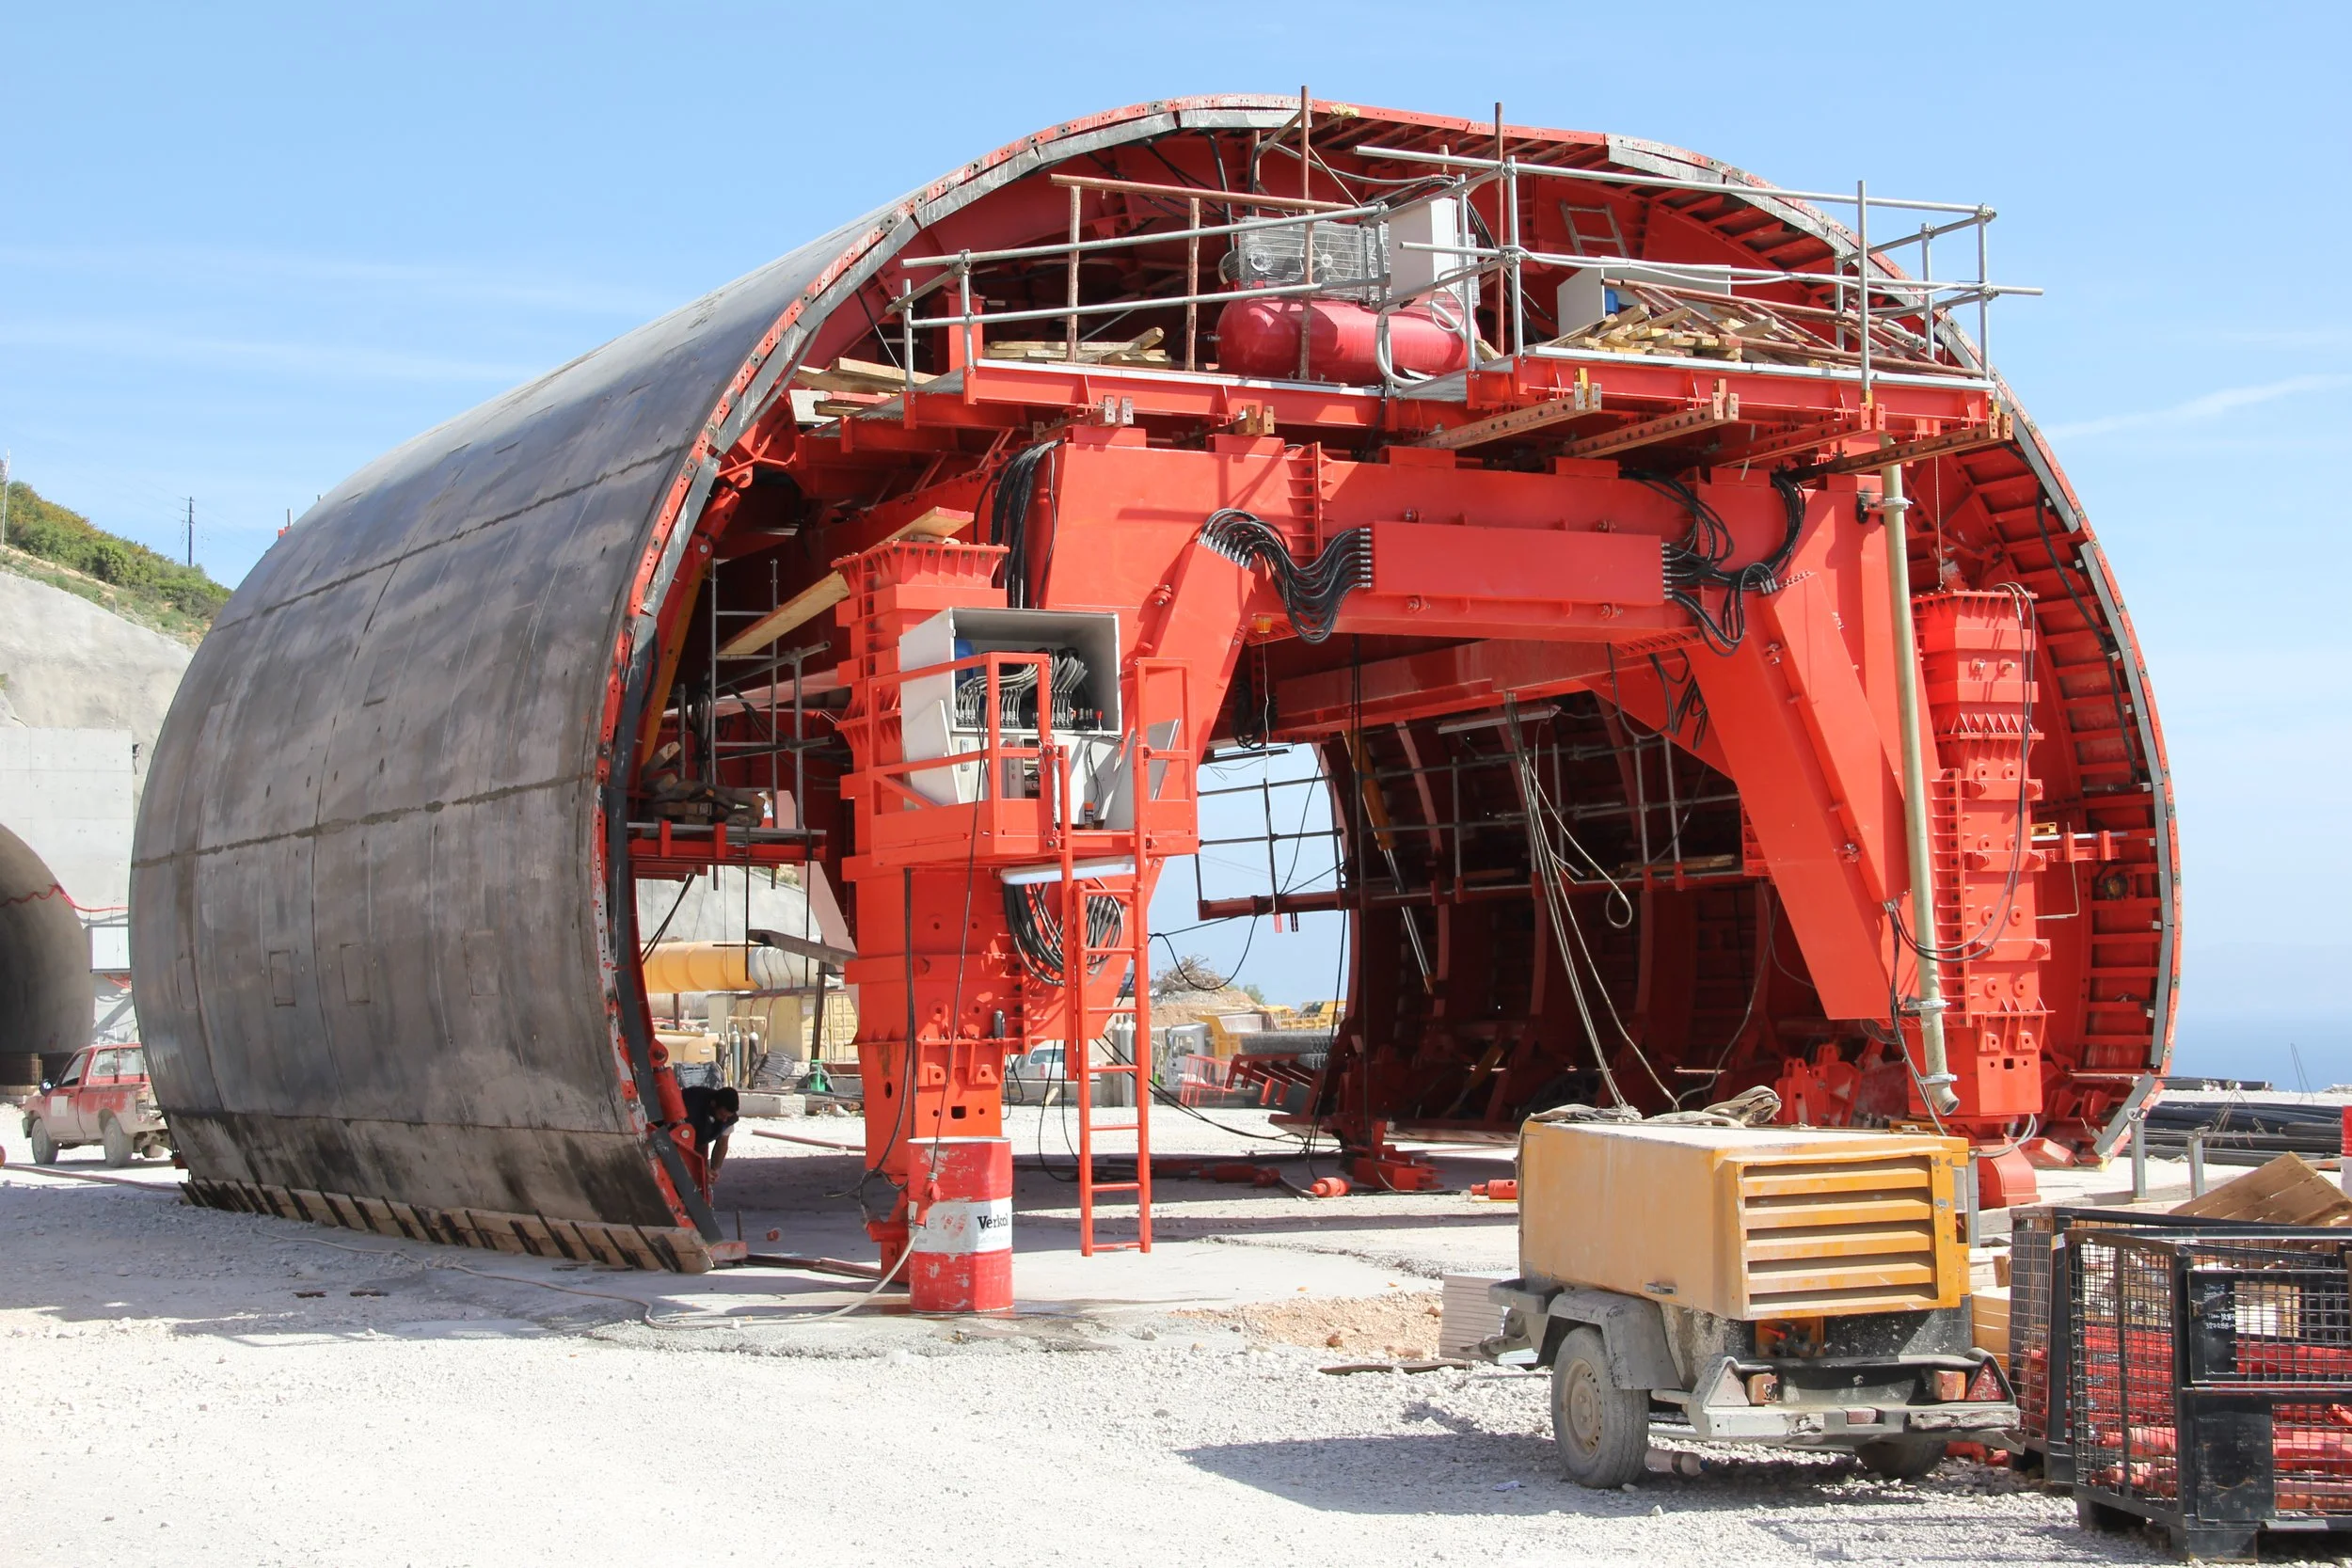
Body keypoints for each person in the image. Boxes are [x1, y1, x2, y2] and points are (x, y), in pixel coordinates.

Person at [676, 1084, 740, 1195]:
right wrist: (703, 1169)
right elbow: (685, 1145)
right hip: (678, 1134)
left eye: (728, 1117)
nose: (725, 1120)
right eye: (722, 1115)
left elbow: (722, 1143)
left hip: (700, 1135)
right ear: (713, 1104)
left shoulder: (727, 1118)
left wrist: (714, 1171)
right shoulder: (691, 1106)